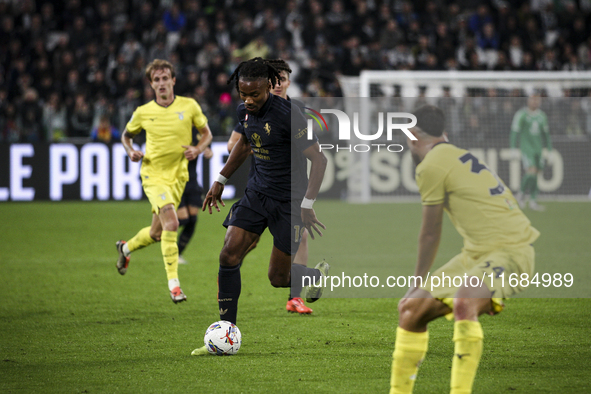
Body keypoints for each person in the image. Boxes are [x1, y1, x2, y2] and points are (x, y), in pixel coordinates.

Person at [390, 105, 539, 394]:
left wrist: (417, 279)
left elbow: (431, 232)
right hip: (476, 255)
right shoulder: (455, 154)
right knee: (410, 310)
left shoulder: (431, 164)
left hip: (511, 251)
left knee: (463, 301)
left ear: (411, 134)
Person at [192, 57, 328, 355]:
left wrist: (307, 203)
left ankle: (312, 276)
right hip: (256, 194)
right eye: (243, 94)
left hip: (289, 202)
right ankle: (226, 332)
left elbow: (319, 160)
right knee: (228, 255)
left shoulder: (290, 116)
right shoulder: (244, 110)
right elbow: (245, 143)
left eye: (255, 94)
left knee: (278, 279)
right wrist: (220, 179)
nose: (249, 101)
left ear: (269, 86)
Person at [115, 59, 213, 303]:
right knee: (171, 223)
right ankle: (174, 285)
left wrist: (198, 149)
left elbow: (207, 134)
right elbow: (126, 137)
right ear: (151, 84)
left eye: (165, 78)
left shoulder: (189, 106)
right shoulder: (143, 112)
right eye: (156, 80)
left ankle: (125, 249)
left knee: (157, 232)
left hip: (179, 177)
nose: (161, 83)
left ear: (173, 80)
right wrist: (131, 151)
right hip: (153, 174)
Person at [226, 59, 315, 315]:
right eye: (274, 80)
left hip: (291, 191)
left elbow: (312, 154)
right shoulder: (251, 109)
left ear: (286, 83)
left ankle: (295, 296)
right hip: (260, 187)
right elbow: (235, 144)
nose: (278, 84)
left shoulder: (296, 111)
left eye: (282, 80)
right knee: (243, 243)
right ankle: (230, 284)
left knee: (302, 237)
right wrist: (260, 144)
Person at [510, 94, 552, 211]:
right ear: (528, 101)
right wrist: (513, 147)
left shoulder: (542, 116)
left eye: (537, 100)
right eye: (532, 100)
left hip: (538, 149)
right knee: (532, 171)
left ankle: (533, 201)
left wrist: (549, 150)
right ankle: (520, 194)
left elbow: (546, 135)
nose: (535, 102)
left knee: (536, 174)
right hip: (527, 148)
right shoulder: (521, 114)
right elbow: (514, 132)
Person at [177, 138, 213, 265]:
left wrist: (208, 151)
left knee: (192, 220)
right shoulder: (176, 128)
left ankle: (177, 254)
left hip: (192, 182)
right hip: (176, 181)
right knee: (183, 219)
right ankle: (159, 231)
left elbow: (208, 147)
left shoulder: (199, 131)